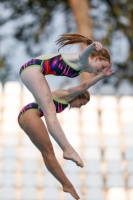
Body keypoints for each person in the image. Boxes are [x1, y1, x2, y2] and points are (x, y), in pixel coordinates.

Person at [19, 33, 112, 168]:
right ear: (96, 58)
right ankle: (68, 150)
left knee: (50, 110)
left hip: (33, 70)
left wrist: (102, 76)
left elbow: (85, 85)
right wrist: (92, 46)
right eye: (103, 66)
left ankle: (67, 149)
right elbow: (83, 55)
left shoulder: (83, 68)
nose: (102, 70)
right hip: (32, 69)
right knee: (50, 110)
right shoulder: (83, 60)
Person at [18, 68, 114, 200]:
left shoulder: (65, 99)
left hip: (29, 114)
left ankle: (66, 184)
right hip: (30, 113)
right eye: (81, 103)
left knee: (47, 152)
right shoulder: (68, 94)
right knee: (48, 151)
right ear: (78, 96)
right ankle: (67, 184)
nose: (79, 107)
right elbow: (84, 85)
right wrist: (102, 76)